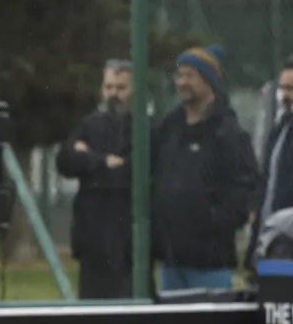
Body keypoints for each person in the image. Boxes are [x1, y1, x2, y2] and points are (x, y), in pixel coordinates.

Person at [150, 45, 257, 292]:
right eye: (180, 75)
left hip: (210, 263)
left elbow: (243, 190)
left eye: (191, 75)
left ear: (210, 81)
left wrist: (212, 220)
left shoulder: (229, 133)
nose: (182, 82)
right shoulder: (170, 127)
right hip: (170, 260)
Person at [56, 58, 135, 299]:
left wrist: (88, 157)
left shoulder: (144, 127)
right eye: (108, 87)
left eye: (121, 88)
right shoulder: (90, 124)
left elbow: (131, 170)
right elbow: (66, 160)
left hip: (127, 241)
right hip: (91, 237)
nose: (113, 94)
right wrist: (101, 161)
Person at [247, 58, 293, 275]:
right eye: (283, 88)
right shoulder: (280, 128)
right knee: (275, 305)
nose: (285, 95)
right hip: (274, 246)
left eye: (291, 88)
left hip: (287, 245)